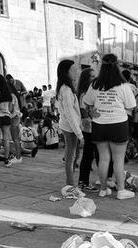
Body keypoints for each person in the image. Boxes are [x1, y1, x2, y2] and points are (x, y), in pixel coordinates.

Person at [83, 53, 137, 200]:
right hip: (118, 124)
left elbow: (86, 103)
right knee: (118, 159)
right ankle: (120, 190)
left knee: (103, 158)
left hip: (99, 124)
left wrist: (92, 111)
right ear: (117, 65)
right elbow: (131, 106)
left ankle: (103, 189)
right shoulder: (123, 85)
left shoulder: (94, 84)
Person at [55, 59, 84, 187]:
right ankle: (70, 185)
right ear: (66, 72)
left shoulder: (66, 88)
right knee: (70, 157)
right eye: (73, 69)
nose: (76, 71)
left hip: (70, 126)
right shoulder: (66, 90)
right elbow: (70, 114)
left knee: (72, 156)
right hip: (69, 127)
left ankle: (70, 184)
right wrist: (79, 134)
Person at [77, 67, 99, 191]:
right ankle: (83, 182)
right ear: (86, 78)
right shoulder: (85, 94)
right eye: (92, 76)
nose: (94, 78)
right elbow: (85, 113)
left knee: (90, 156)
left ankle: (83, 182)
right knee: (88, 156)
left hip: (92, 127)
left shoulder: (90, 92)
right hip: (89, 129)